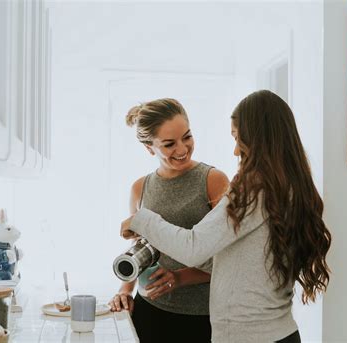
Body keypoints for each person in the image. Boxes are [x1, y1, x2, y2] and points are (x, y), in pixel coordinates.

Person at [122, 90, 332, 343]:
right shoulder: (288, 185)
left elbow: (194, 247)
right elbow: (231, 257)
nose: (234, 151)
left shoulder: (253, 190)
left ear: (257, 139)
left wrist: (142, 220)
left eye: (238, 138)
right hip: (276, 331)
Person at [109, 98, 229, 343]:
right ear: (149, 147)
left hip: (202, 316)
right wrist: (124, 290)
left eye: (187, 137)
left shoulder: (213, 181)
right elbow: (141, 248)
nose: (182, 148)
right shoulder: (139, 188)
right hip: (149, 312)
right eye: (169, 144)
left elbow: (228, 255)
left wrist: (180, 277)